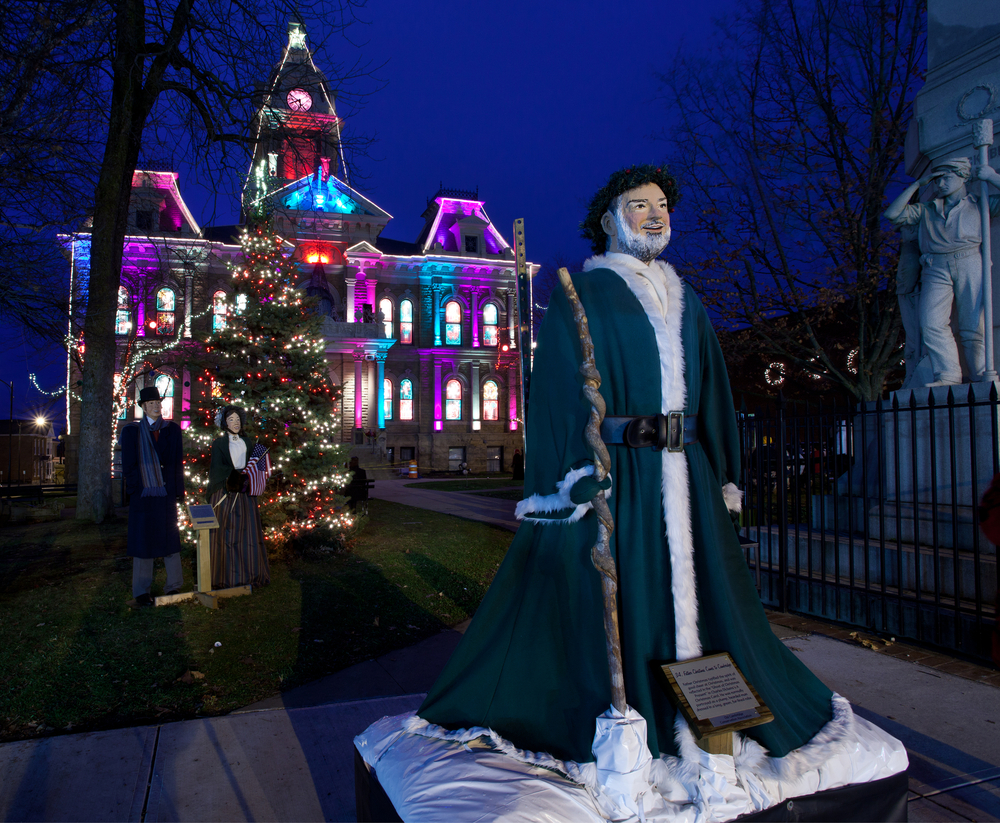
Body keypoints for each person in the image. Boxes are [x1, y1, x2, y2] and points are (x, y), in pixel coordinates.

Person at [419, 165, 845, 773]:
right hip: (623, 475)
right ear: (608, 219)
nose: (656, 213)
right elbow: (560, 396)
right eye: (639, 203)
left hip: (689, 476)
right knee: (627, 597)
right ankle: (637, 716)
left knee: (704, 600)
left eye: (663, 204)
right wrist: (572, 476)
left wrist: (722, 470)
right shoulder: (581, 294)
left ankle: (715, 715)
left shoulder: (685, 295)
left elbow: (715, 391)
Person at [885, 157, 1000, 387]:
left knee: (972, 324)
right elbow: (892, 214)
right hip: (935, 266)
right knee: (930, 322)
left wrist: (991, 177)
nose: (940, 185)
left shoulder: (979, 202)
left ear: (963, 176)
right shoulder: (927, 209)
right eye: (936, 181)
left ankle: (980, 374)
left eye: (946, 178)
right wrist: (918, 184)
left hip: (969, 260)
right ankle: (947, 375)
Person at [120, 385, 185, 607]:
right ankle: (141, 591)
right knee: (142, 542)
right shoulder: (131, 431)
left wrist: (178, 492)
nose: (156, 406)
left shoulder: (172, 430)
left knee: (170, 540)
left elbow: (177, 463)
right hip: (144, 495)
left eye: (158, 403)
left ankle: (174, 585)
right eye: (151, 404)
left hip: (165, 494)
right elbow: (128, 464)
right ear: (143, 407)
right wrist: (135, 489)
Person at [207, 405, 270, 588]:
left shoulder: (247, 442)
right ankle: (225, 577)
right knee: (225, 534)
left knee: (247, 534)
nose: (235, 423)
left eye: (238, 419)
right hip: (226, 492)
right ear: (224, 422)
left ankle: (250, 575)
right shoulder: (219, 443)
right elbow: (216, 468)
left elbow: (254, 465)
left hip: (244, 493)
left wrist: (249, 479)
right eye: (231, 419)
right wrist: (231, 477)